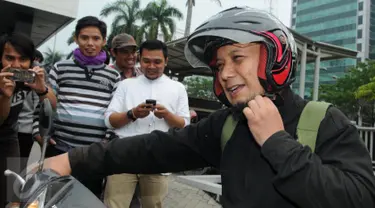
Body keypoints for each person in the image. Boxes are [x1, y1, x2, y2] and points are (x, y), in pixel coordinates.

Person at [42, 7, 375, 208]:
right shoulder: (228, 124)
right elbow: (154, 149)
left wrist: (277, 143)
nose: (225, 73)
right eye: (218, 66)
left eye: (237, 58)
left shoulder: (322, 121)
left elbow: (358, 199)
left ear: (275, 58)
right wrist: (72, 159)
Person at [32, 16, 121, 198]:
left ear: (104, 41)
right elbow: (44, 103)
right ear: (76, 39)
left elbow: (114, 112)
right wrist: (37, 131)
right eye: (84, 38)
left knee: (86, 199)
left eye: (96, 38)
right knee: (53, 197)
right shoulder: (60, 68)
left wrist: (106, 142)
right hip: (60, 149)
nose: (90, 43)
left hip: (93, 153)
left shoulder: (113, 76)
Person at [103, 39, 190, 208]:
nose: (151, 66)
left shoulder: (178, 88)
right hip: (124, 153)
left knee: (153, 204)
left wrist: (167, 115)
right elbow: (109, 121)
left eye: (157, 61)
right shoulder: (125, 85)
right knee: (114, 204)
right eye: (146, 61)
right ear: (139, 60)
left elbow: (184, 125)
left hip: (157, 155)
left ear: (166, 61)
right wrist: (133, 113)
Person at [0, 33, 56, 207]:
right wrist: (4, 96)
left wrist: (42, 89)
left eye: (22, 59)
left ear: (31, 61)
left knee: (13, 191)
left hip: (9, 136)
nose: (16, 65)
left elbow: (52, 104)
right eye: (9, 58)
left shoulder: (29, 76)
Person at [105, 33, 144, 208]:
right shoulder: (107, 74)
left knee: (137, 195)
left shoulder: (142, 75)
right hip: (111, 139)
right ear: (114, 52)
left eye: (133, 51)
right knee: (112, 191)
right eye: (125, 52)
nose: (131, 56)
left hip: (138, 140)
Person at [17, 50, 45, 173]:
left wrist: (35, 129)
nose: (17, 64)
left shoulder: (33, 77)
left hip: (25, 130)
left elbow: (38, 103)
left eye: (23, 59)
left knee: (17, 169)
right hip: (8, 128)